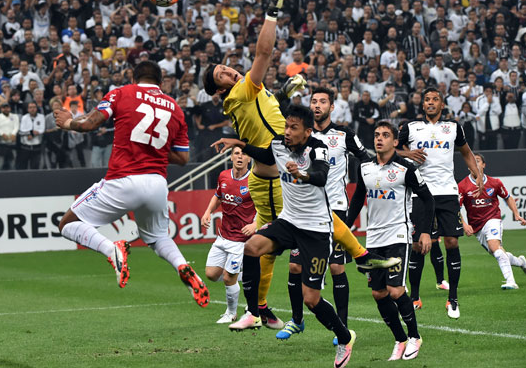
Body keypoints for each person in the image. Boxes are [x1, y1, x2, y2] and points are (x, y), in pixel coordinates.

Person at [203, 0, 398, 331]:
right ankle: (261, 307)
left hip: (271, 171)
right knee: (296, 230)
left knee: (275, 241)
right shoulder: (240, 91)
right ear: (220, 90)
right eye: (222, 74)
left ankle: (259, 309)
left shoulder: (244, 96)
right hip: (274, 173)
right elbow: (264, 53)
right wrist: (272, 11)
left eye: (227, 68)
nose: (230, 71)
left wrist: (281, 94)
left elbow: (265, 118)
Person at [53, 61, 209, 308]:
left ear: (134, 77)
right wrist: (149, 146)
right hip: (157, 185)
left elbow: (90, 124)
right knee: (158, 238)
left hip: (123, 180)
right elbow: (182, 158)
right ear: (160, 81)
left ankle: (111, 249)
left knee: (68, 224)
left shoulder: (122, 93)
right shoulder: (176, 109)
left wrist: (69, 123)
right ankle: (183, 266)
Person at [212, 105, 357, 368]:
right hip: (289, 221)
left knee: (311, 299)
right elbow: (265, 155)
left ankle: (345, 338)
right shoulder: (279, 143)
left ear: (307, 131)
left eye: (293, 128)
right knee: (252, 247)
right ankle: (255, 312)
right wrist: (239, 143)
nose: (287, 132)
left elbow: (322, 176)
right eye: (286, 126)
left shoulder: (318, 147)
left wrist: (302, 174)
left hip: (315, 229)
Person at [275, 87, 371, 344]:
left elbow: (367, 161)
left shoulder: (344, 134)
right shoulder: (298, 134)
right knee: (295, 265)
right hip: (303, 210)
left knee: (337, 266)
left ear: (332, 107)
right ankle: (297, 320)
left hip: (335, 208)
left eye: (322, 102)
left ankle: (343, 328)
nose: (317, 105)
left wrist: (355, 204)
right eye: (314, 101)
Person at [347, 121, 434, 361]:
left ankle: (415, 336)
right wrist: (343, 230)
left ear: (395, 142)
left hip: (398, 235)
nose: (379, 139)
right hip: (373, 239)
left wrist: (425, 232)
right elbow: (356, 202)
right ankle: (400, 339)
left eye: (385, 135)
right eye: (376, 135)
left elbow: (428, 200)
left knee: (396, 290)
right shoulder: (364, 166)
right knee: (378, 293)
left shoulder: (407, 168)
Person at [398, 87, 483, 319]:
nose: (431, 103)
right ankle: (414, 297)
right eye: (427, 100)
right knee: (418, 246)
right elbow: (391, 150)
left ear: (442, 105)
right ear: (422, 105)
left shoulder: (453, 127)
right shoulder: (410, 127)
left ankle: (452, 299)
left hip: (447, 192)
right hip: (420, 192)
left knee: (452, 242)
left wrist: (476, 173)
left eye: (435, 99)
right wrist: (408, 154)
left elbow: (466, 151)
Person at [458, 153, 526, 289]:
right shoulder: (463, 186)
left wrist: (516, 214)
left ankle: (511, 281)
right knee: (498, 253)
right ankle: (520, 262)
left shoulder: (495, 183)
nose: (475, 164)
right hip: (477, 227)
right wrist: (464, 224)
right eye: (472, 162)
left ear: (484, 165)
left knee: (496, 249)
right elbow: (456, 208)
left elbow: (508, 197)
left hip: (493, 219)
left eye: (478, 161)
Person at [201, 146, 257, 324]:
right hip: (223, 236)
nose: (240, 157)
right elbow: (218, 196)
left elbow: (267, 207)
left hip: (241, 240)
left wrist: (255, 224)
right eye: (236, 154)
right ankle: (251, 277)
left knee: (227, 278)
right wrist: (208, 211)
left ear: (249, 159)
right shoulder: (223, 176)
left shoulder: (255, 180)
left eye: (244, 154)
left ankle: (231, 313)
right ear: (231, 157)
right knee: (211, 274)